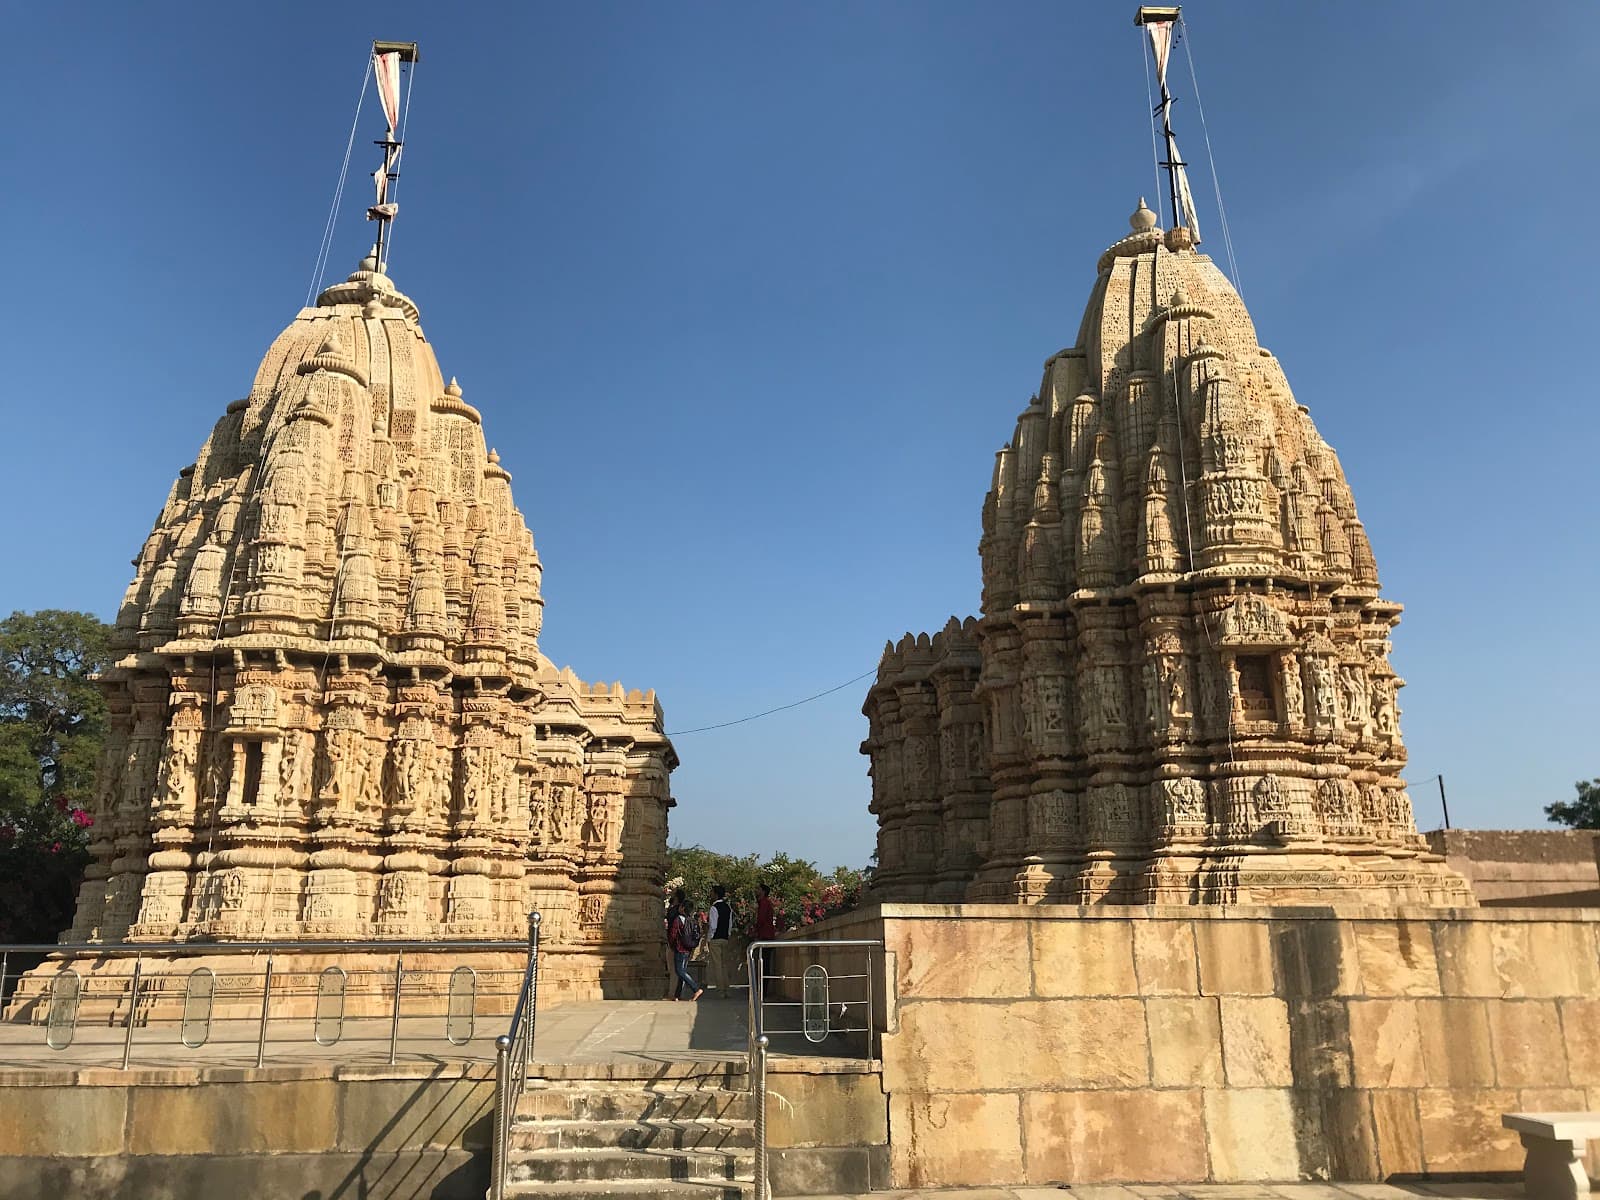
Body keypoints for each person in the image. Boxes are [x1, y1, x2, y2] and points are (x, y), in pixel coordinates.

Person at [668, 894, 703, 1001]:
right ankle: (677, 995)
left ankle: (696, 988)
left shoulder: (678, 919)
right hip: (688, 948)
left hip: (680, 948)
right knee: (682, 971)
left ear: (683, 908)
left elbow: (673, 934)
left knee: (680, 971)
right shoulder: (691, 920)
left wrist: (672, 945)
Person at [705, 884, 733, 993]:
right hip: (725, 938)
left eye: (712, 892)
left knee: (717, 965)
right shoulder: (728, 907)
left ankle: (721, 989)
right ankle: (727, 988)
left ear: (716, 894)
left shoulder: (714, 908)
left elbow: (713, 926)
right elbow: (730, 924)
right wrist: (727, 935)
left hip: (715, 939)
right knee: (724, 964)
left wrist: (709, 939)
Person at [754, 881, 777, 993]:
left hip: (765, 936)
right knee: (764, 963)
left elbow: (761, 920)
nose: (756, 891)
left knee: (764, 963)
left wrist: (755, 929)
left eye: (758, 889)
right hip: (766, 935)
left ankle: (763, 990)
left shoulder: (764, 903)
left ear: (763, 891)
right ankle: (763, 989)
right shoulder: (764, 903)